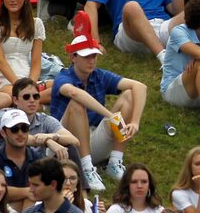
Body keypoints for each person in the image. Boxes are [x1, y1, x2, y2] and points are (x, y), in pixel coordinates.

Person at [52, 33, 146, 191]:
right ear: (73, 57)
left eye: (94, 55)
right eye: (86, 56)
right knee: (76, 104)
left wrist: (135, 121)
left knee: (129, 94)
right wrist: (110, 115)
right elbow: (75, 93)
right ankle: (86, 169)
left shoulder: (99, 75)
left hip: (92, 139)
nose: (92, 60)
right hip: (63, 145)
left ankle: (115, 161)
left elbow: (140, 87)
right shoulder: (63, 77)